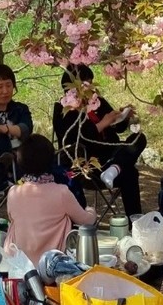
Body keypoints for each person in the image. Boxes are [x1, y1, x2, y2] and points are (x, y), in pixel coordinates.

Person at [52, 65, 147, 217]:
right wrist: (102, 123)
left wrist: (123, 116)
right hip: (85, 163)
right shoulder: (62, 108)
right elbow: (72, 140)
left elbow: (116, 127)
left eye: (91, 83)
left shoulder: (97, 101)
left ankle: (115, 169)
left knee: (138, 138)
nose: (90, 89)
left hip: (111, 154)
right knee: (129, 171)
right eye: (85, 84)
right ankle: (134, 219)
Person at [5, 134, 96, 264]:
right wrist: (90, 210)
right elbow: (86, 221)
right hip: (52, 265)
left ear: (20, 163)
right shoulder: (61, 192)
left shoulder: (13, 192)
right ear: (51, 161)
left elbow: (12, 218)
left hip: (18, 262)